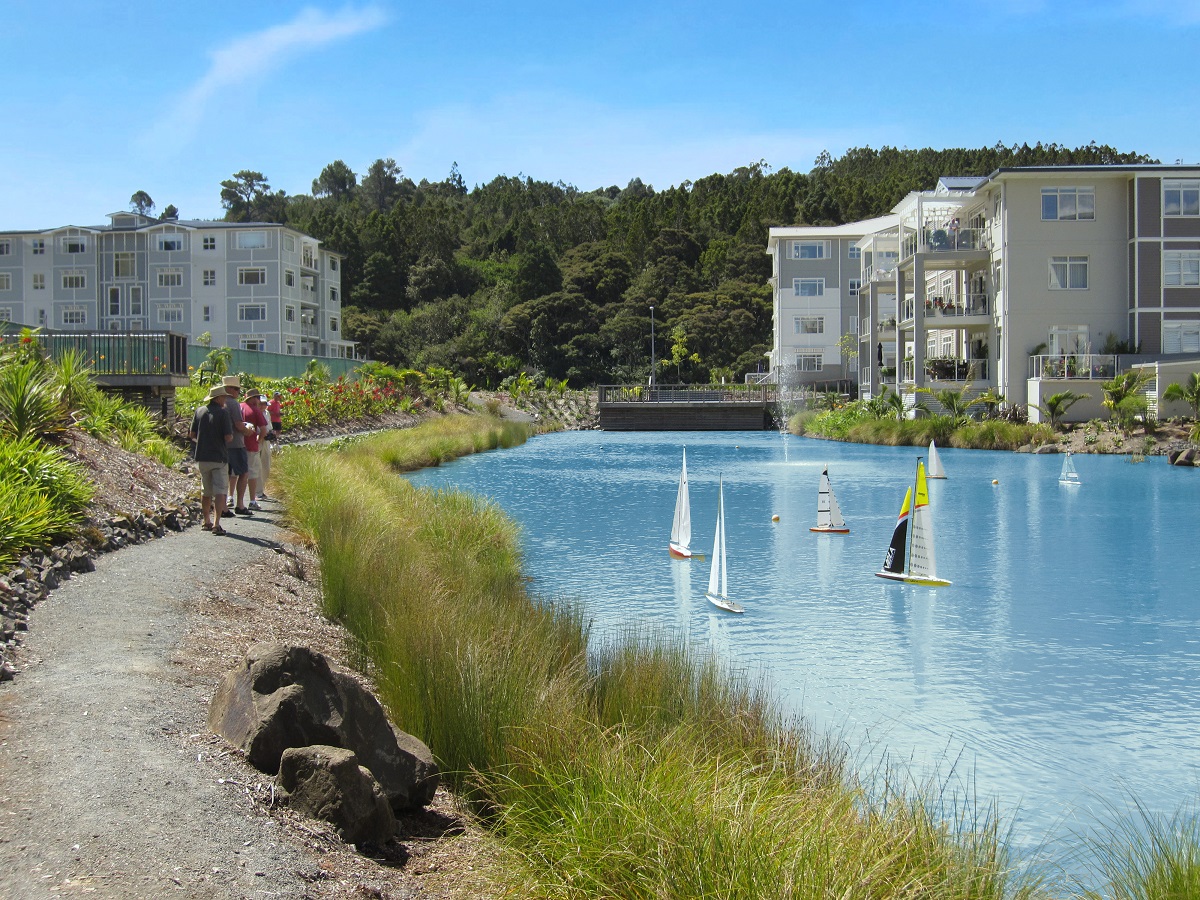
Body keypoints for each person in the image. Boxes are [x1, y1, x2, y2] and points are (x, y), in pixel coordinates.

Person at [189, 385, 233, 535]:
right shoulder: (223, 413)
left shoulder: (200, 411)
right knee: (220, 490)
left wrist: (202, 441)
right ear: (219, 398)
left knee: (205, 490)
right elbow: (228, 437)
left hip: (202, 456)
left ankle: (206, 521)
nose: (225, 399)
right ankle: (216, 523)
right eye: (224, 397)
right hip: (219, 457)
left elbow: (192, 434)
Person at [222, 375, 255, 516]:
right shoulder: (233, 404)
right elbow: (239, 425)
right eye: (236, 389)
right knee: (243, 473)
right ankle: (240, 504)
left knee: (224, 475)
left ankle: (223, 505)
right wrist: (249, 431)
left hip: (222, 445)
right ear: (228, 389)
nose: (238, 392)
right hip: (235, 444)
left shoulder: (218, 403)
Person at [240, 389, 269, 511]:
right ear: (253, 398)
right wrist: (259, 440)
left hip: (237, 445)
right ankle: (252, 500)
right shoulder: (255, 411)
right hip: (251, 445)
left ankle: (235, 500)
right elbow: (263, 430)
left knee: (237, 474)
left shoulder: (238, 407)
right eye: (257, 397)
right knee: (252, 473)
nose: (258, 400)